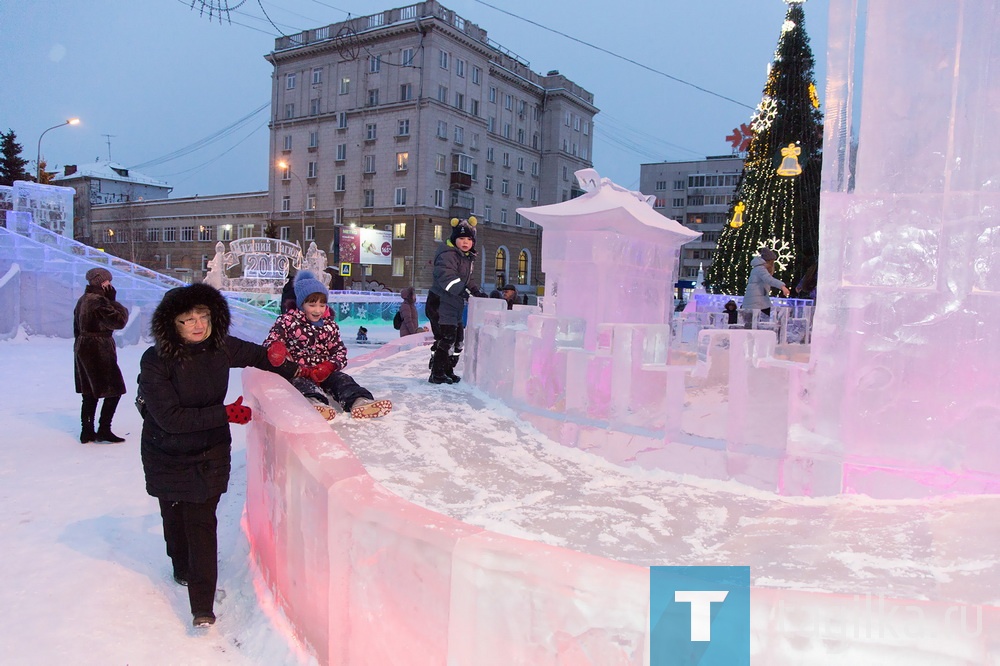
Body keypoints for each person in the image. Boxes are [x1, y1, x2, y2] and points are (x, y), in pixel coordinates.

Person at [137, 283, 313, 629]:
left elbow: (260, 356)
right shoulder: (156, 360)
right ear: (173, 324)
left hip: (209, 451)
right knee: (174, 517)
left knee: (202, 522)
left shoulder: (220, 348)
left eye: (203, 316)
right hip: (166, 450)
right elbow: (169, 418)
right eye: (189, 320)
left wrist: (293, 369)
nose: (199, 325)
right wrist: (225, 414)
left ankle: (202, 606)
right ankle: (181, 566)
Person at [263, 271, 392, 421]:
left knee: (342, 380)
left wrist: (329, 366)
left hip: (323, 371)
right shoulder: (287, 321)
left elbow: (340, 352)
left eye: (322, 305)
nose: (318, 310)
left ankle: (360, 401)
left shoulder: (329, 326)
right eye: (312, 305)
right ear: (301, 304)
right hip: (299, 371)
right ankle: (314, 403)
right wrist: (276, 347)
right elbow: (272, 339)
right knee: (302, 385)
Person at [426, 217, 485, 384]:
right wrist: (465, 292)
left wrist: (475, 290)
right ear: (454, 239)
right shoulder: (448, 255)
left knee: (458, 341)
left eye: (469, 239)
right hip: (440, 303)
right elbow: (447, 278)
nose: (465, 242)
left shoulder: (466, 257)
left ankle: (447, 370)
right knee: (447, 340)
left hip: (453, 304)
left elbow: (467, 279)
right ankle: (437, 373)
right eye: (461, 238)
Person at [74, 267, 129, 443]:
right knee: (114, 389)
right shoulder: (99, 301)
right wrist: (113, 302)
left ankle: (87, 431)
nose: (110, 284)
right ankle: (104, 429)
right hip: (98, 348)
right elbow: (119, 322)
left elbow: (76, 326)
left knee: (89, 391)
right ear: (100, 282)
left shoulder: (83, 300)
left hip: (83, 347)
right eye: (107, 281)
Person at [742, 247, 790, 324]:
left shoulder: (758, 268)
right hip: (757, 301)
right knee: (773, 317)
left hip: (758, 300)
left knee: (769, 316)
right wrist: (782, 287)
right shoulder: (761, 269)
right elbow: (769, 279)